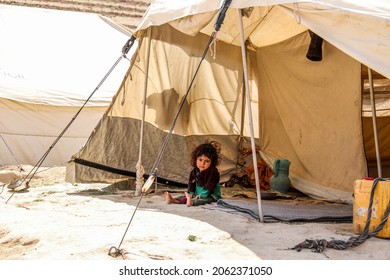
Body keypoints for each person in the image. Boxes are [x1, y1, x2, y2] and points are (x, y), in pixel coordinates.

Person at [164, 140, 222, 207]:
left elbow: (209, 186)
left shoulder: (213, 172)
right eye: (200, 160)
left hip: (210, 195)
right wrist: (191, 193)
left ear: (212, 162)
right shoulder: (194, 171)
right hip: (197, 193)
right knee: (184, 197)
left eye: (207, 161)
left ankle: (192, 202)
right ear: (195, 159)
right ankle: (174, 200)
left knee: (204, 199)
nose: (202, 163)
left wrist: (202, 195)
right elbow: (191, 183)